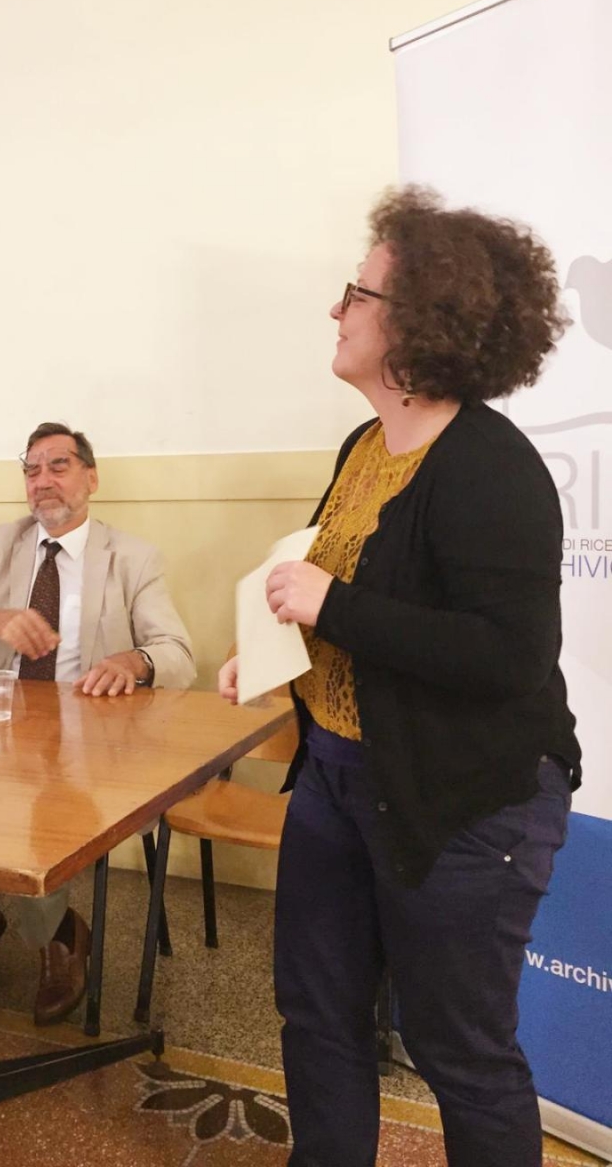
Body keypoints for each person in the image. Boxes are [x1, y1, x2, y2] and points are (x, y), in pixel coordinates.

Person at [219, 187, 581, 1167]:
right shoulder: (364, 447)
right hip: (337, 778)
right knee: (317, 1013)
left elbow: (505, 656)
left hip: (463, 797)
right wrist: (272, 651)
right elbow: (346, 593)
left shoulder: (490, 466)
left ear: (420, 320)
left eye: (357, 294)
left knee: (459, 1049)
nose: (336, 310)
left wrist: (331, 608)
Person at [0, 421, 195, 1022]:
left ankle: (57, 937)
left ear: (91, 478)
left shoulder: (133, 557)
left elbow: (177, 653)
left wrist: (133, 661)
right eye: (31, 469)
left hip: (86, 740)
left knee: (36, 804)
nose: (42, 480)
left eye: (58, 465)